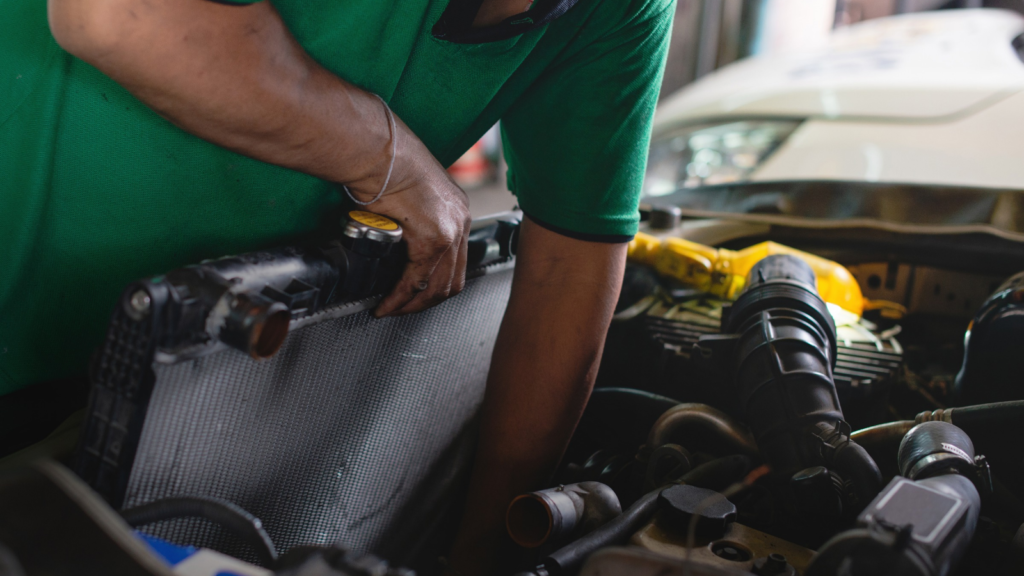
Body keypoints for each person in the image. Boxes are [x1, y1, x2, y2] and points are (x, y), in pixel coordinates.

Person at [0, 0, 674, 572]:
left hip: (197, 386)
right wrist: (393, 160)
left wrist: (481, 557)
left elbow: (567, 272)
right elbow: (119, 15)